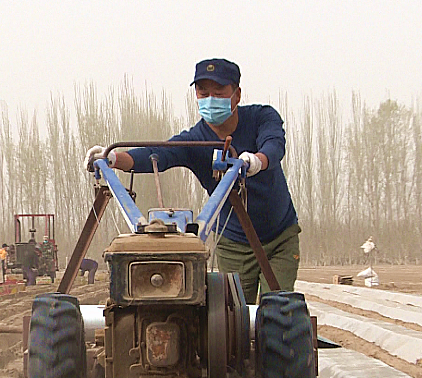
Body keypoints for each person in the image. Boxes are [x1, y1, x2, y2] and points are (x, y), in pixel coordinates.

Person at [84, 58, 300, 304]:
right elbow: (158, 154)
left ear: (236, 95)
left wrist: (256, 161)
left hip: (279, 236)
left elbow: (274, 144)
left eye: (219, 93)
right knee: (236, 314)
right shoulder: (195, 140)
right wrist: (112, 158)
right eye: (203, 93)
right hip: (234, 242)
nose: (210, 99)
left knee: (278, 306)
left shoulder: (262, 117)